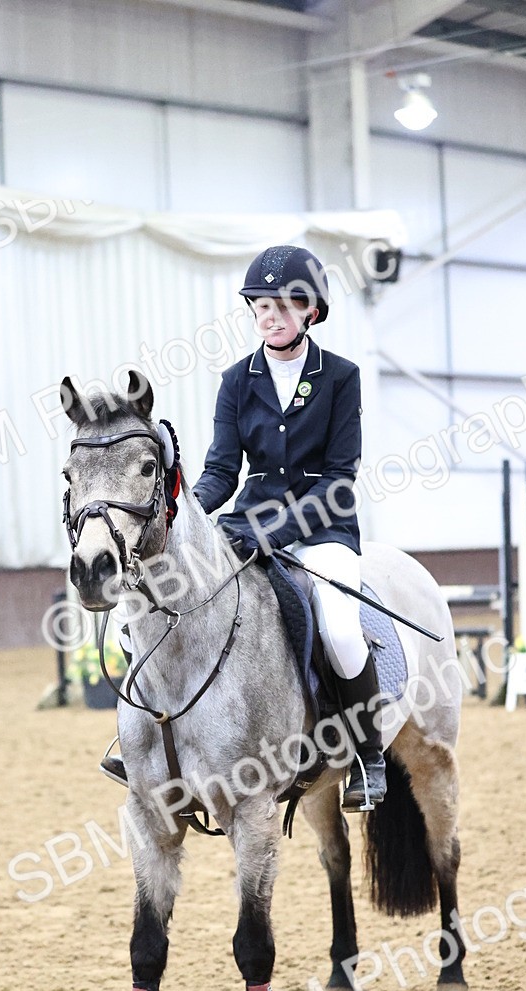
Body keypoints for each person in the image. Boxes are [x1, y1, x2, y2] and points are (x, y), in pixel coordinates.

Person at [102, 244, 386, 806]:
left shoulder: (341, 378)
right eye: (260, 306)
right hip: (246, 520)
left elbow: (338, 479)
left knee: (341, 629)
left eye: (283, 306)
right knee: (155, 604)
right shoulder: (238, 379)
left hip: (322, 526)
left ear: (311, 311)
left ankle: (367, 755)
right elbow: (221, 470)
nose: (270, 316)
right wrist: (185, 515)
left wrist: (275, 532)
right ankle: (139, 738)